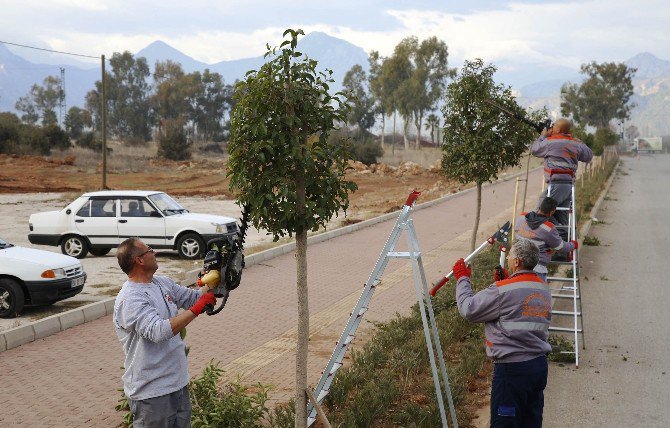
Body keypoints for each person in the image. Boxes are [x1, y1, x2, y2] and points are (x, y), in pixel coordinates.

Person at [113, 237, 217, 427]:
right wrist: (196, 310)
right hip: (151, 393)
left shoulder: (161, 283)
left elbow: (194, 299)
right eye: (150, 250)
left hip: (177, 384)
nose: (155, 253)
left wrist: (212, 277)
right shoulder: (130, 298)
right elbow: (158, 331)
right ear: (139, 260)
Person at [453, 239, 551, 428]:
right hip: (538, 367)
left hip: (512, 371)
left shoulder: (502, 291)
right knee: (530, 422)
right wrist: (507, 282)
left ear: (517, 262)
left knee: (505, 424)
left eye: (511, 256)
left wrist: (462, 279)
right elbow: (519, 309)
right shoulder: (542, 288)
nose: (508, 260)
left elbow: (469, 309)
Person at [531, 118, 593, 238]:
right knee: (562, 215)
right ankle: (564, 249)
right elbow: (589, 155)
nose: (551, 128)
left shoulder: (550, 142)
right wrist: (578, 142)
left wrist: (543, 136)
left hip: (556, 184)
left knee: (540, 212)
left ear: (558, 129)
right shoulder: (575, 143)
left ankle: (561, 236)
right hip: (569, 185)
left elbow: (534, 149)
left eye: (553, 126)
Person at [513, 197, 578, 281]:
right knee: (538, 293)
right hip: (536, 268)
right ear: (551, 212)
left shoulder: (522, 217)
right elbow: (560, 247)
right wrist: (573, 244)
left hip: (517, 264)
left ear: (540, 207)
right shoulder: (548, 228)